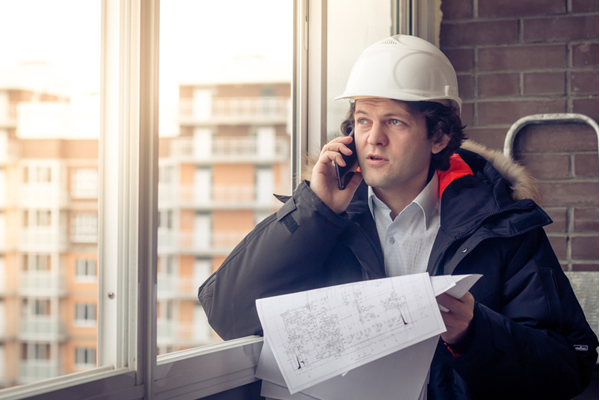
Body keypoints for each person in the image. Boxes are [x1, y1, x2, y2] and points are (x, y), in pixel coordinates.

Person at [198, 34, 598, 399]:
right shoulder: (318, 222)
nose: (373, 138)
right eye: (363, 121)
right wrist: (315, 211)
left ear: (438, 136)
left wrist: (475, 333)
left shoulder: (502, 225)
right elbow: (226, 314)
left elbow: (571, 367)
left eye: (394, 121)